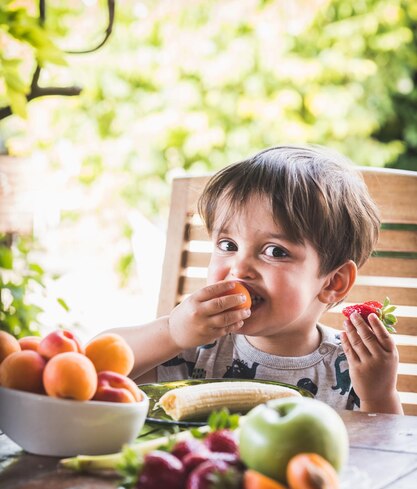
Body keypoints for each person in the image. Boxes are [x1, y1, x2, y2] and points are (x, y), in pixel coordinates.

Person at [113, 145, 402, 414]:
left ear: (332, 282)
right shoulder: (194, 345)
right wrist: (172, 333)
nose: (239, 268)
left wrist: (379, 396)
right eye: (228, 245)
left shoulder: (350, 367)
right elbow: (91, 368)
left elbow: (388, 455)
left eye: (275, 251)